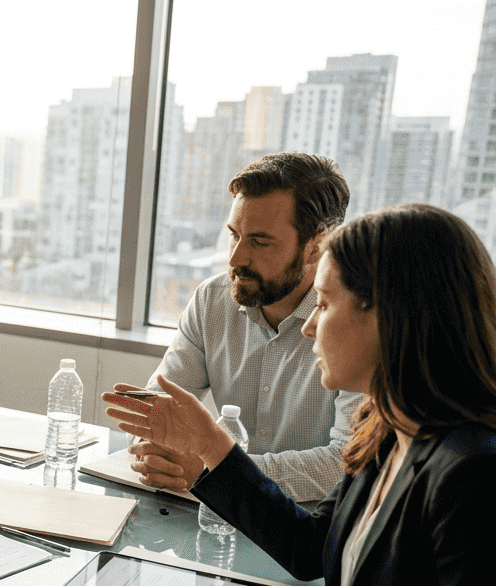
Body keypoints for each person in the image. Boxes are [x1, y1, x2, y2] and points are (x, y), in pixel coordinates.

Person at [103, 204, 489, 586]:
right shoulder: (388, 431)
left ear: (393, 318)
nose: (309, 324)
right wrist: (215, 448)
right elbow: (310, 547)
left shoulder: (471, 478)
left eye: (326, 304)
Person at [135, 153, 363, 501]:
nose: (235, 259)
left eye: (259, 242)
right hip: (216, 518)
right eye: (234, 236)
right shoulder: (212, 300)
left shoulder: (357, 323)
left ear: (317, 247)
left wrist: (220, 471)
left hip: (309, 532)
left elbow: (347, 463)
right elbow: (160, 407)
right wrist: (152, 448)